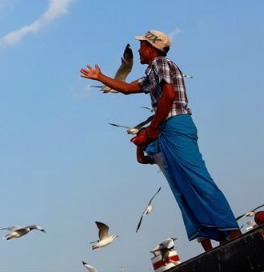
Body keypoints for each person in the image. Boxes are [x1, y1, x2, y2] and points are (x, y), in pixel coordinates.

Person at [80, 30, 241, 252]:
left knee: (199, 182)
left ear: (151, 48)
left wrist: (153, 128)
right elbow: (127, 88)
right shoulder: (151, 72)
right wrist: (100, 77)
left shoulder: (160, 64)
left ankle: (235, 236)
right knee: (183, 190)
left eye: (142, 45)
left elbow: (169, 95)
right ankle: (218, 246)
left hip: (175, 125)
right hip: (167, 128)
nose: (138, 50)